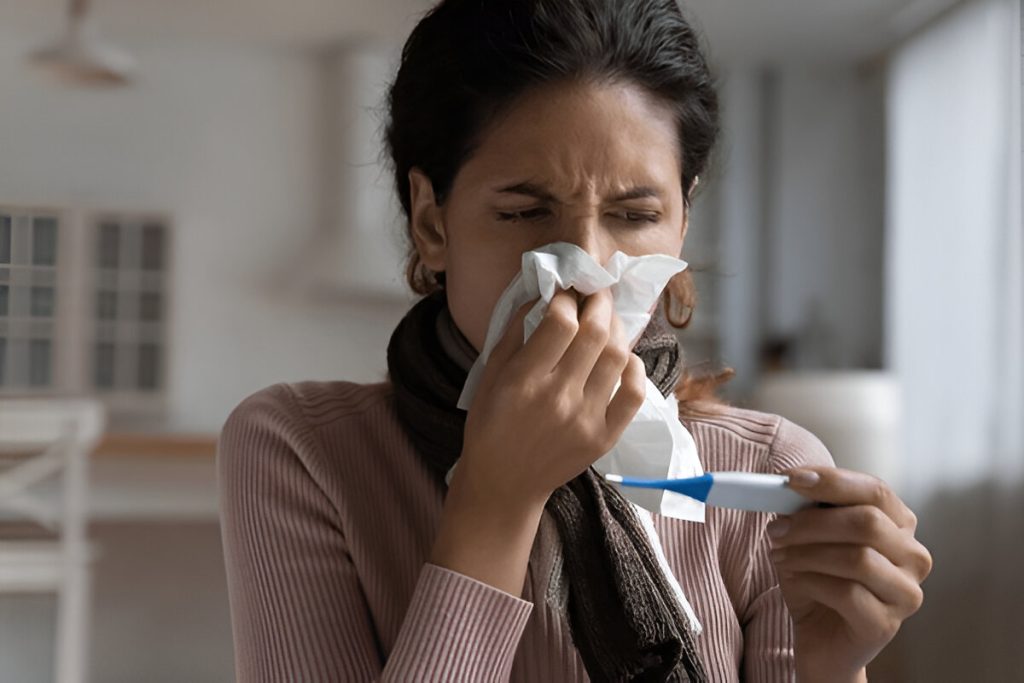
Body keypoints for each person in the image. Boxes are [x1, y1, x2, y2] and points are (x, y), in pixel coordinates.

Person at [216, 0, 933, 681]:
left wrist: (834, 665)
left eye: (634, 213)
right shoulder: (300, 451)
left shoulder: (769, 469)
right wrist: (493, 502)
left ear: (681, 224)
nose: (584, 271)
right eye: (526, 211)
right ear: (433, 221)